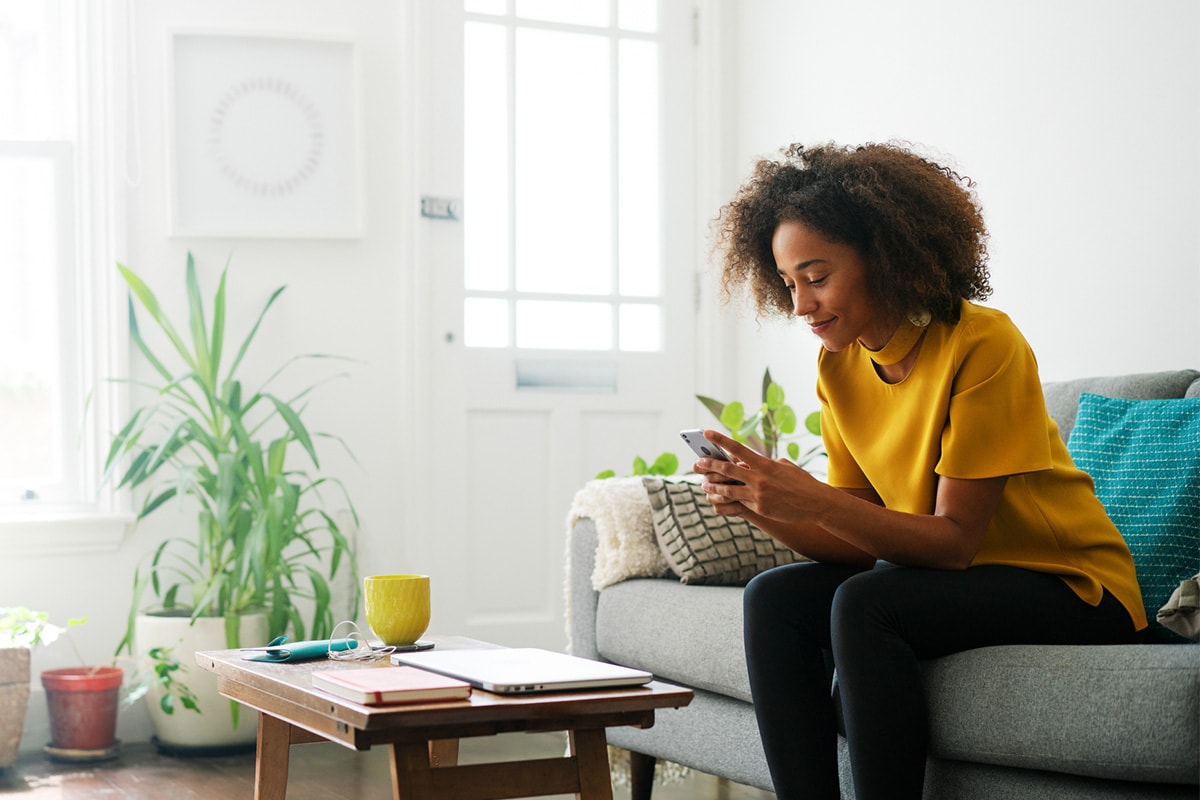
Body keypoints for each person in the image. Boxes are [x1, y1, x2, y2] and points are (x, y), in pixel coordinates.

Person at [692, 141, 1146, 800]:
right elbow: (854, 543)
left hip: (1072, 586)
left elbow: (954, 542)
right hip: (962, 579)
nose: (800, 305)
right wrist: (768, 504)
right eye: (789, 283)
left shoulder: (982, 343)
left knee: (868, 603)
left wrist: (809, 499)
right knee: (775, 597)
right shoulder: (839, 366)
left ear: (883, 256)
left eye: (816, 277)